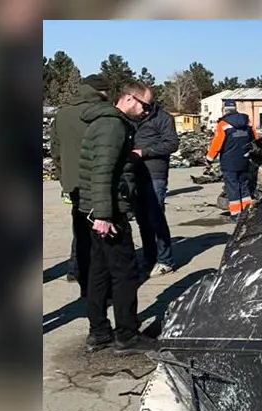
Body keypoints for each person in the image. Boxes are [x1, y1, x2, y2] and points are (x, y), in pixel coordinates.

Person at [77, 82, 159, 355]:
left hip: (96, 211)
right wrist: (103, 215)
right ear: (128, 98)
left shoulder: (105, 123)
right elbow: (102, 172)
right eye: (145, 106)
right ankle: (126, 335)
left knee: (99, 273)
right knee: (125, 274)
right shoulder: (113, 127)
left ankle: (99, 332)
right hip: (108, 213)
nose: (147, 113)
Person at [50, 74, 112, 298]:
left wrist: (64, 176)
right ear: (102, 91)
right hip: (98, 183)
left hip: (73, 183)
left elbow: (55, 150)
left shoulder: (63, 113)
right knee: (102, 237)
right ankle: (99, 288)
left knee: (81, 231)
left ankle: (78, 275)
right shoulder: (100, 113)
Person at [131, 89, 180, 277]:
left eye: (145, 105)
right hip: (135, 174)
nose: (142, 109)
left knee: (156, 218)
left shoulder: (163, 118)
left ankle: (165, 260)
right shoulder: (132, 119)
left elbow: (172, 144)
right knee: (142, 220)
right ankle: (149, 257)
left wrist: (144, 152)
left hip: (155, 174)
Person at [205, 99, 259, 222]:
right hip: (245, 160)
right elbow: (255, 140)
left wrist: (209, 158)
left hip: (229, 162)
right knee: (244, 186)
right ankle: (247, 211)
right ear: (236, 108)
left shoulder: (223, 124)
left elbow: (217, 144)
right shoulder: (247, 122)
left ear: (224, 109)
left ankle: (236, 213)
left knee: (232, 188)